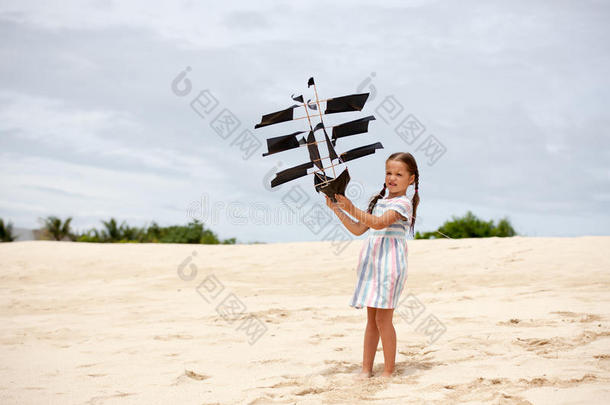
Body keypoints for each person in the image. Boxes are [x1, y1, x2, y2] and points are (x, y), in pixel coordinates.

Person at [324, 152, 420, 379]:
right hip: (372, 265)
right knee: (371, 320)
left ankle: (388, 371)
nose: (392, 178)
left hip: (390, 266)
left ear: (411, 179)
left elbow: (378, 224)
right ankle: (366, 369)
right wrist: (337, 209)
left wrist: (350, 207)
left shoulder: (403, 204)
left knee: (383, 319)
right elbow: (359, 229)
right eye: (389, 173)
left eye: (399, 174)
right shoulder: (379, 200)